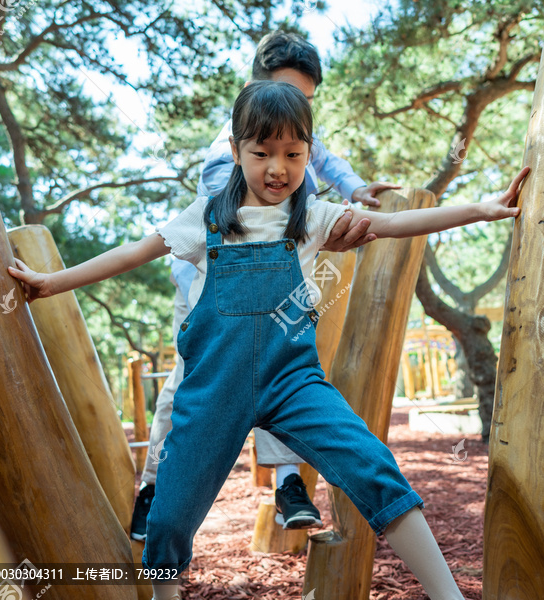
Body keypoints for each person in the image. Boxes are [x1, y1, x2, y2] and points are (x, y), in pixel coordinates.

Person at [9, 80, 529, 600]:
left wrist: (480, 209)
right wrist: (52, 283)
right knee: (168, 518)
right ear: (236, 151)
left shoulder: (312, 218)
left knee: (373, 467)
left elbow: (395, 221)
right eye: (261, 153)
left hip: (293, 383)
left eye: (293, 154)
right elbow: (132, 253)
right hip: (212, 388)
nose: (277, 168)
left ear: (308, 154)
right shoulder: (208, 218)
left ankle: (450, 594)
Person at [131, 29, 400, 540]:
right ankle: (153, 488)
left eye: (306, 100)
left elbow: (324, 160)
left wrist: (353, 192)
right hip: (211, 292)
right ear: (257, 88)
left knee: (281, 370)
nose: (295, 106)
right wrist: (306, 212)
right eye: (287, 91)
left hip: (277, 291)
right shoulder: (231, 149)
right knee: (184, 387)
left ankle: (288, 482)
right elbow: (233, 204)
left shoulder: (294, 137)